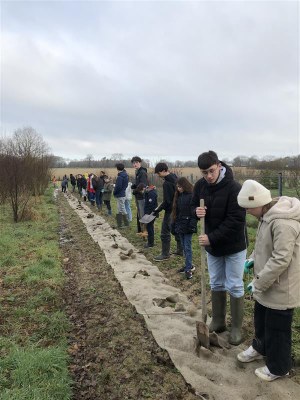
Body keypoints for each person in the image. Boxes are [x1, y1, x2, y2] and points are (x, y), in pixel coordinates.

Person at [236, 180, 300, 381]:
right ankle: (260, 347)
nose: (246, 211)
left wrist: (258, 282)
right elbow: (263, 245)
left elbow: (281, 259)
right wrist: (252, 259)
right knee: (261, 319)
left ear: (259, 202)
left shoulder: (283, 223)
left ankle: (278, 367)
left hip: (282, 286)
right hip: (266, 282)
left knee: (278, 329)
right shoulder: (266, 216)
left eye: (247, 207)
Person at [191, 150, 247, 345]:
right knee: (216, 282)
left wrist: (211, 238)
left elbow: (236, 220)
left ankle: (236, 328)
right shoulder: (200, 186)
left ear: (219, 166)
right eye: (204, 172)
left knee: (234, 283)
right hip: (212, 247)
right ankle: (218, 320)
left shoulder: (234, 188)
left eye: (211, 171)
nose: (208, 176)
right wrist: (195, 211)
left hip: (233, 246)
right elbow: (191, 207)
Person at [153, 162, 182, 261]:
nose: (158, 175)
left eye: (159, 173)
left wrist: (158, 209)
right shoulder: (175, 178)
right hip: (179, 209)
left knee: (165, 232)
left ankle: (165, 254)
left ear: (164, 170)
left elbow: (167, 201)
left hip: (170, 210)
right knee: (176, 229)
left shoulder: (167, 183)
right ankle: (180, 250)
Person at [172, 177, 198, 280]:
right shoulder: (179, 196)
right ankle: (188, 265)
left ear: (185, 185)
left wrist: (192, 225)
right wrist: (173, 224)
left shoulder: (192, 196)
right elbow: (177, 212)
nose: (178, 189)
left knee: (187, 247)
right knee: (183, 246)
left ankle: (188, 269)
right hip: (180, 225)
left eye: (180, 186)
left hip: (188, 226)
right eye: (177, 187)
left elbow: (194, 213)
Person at [131, 156, 149, 235]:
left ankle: (145, 232)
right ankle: (142, 231)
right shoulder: (138, 172)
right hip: (138, 196)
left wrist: (135, 190)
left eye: (136, 163)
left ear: (140, 163)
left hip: (142, 197)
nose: (135, 164)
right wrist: (135, 185)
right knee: (139, 214)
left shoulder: (142, 172)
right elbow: (139, 183)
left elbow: (143, 184)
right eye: (134, 163)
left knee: (143, 215)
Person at [113, 163, 129, 228]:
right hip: (123, 193)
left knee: (122, 208)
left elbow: (118, 187)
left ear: (117, 168)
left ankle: (126, 223)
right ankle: (119, 224)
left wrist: (114, 192)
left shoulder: (120, 177)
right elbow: (126, 185)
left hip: (120, 194)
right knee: (119, 209)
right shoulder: (126, 175)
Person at [143, 184, 158, 248]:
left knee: (150, 227)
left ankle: (150, 243)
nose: (144, 189)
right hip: (149, 212)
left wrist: (148, 214)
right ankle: (150, 242)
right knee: (149, 227)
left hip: (150, 213)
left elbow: (151, 205)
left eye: (146, 188)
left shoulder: (151, 194)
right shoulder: (148, 193)